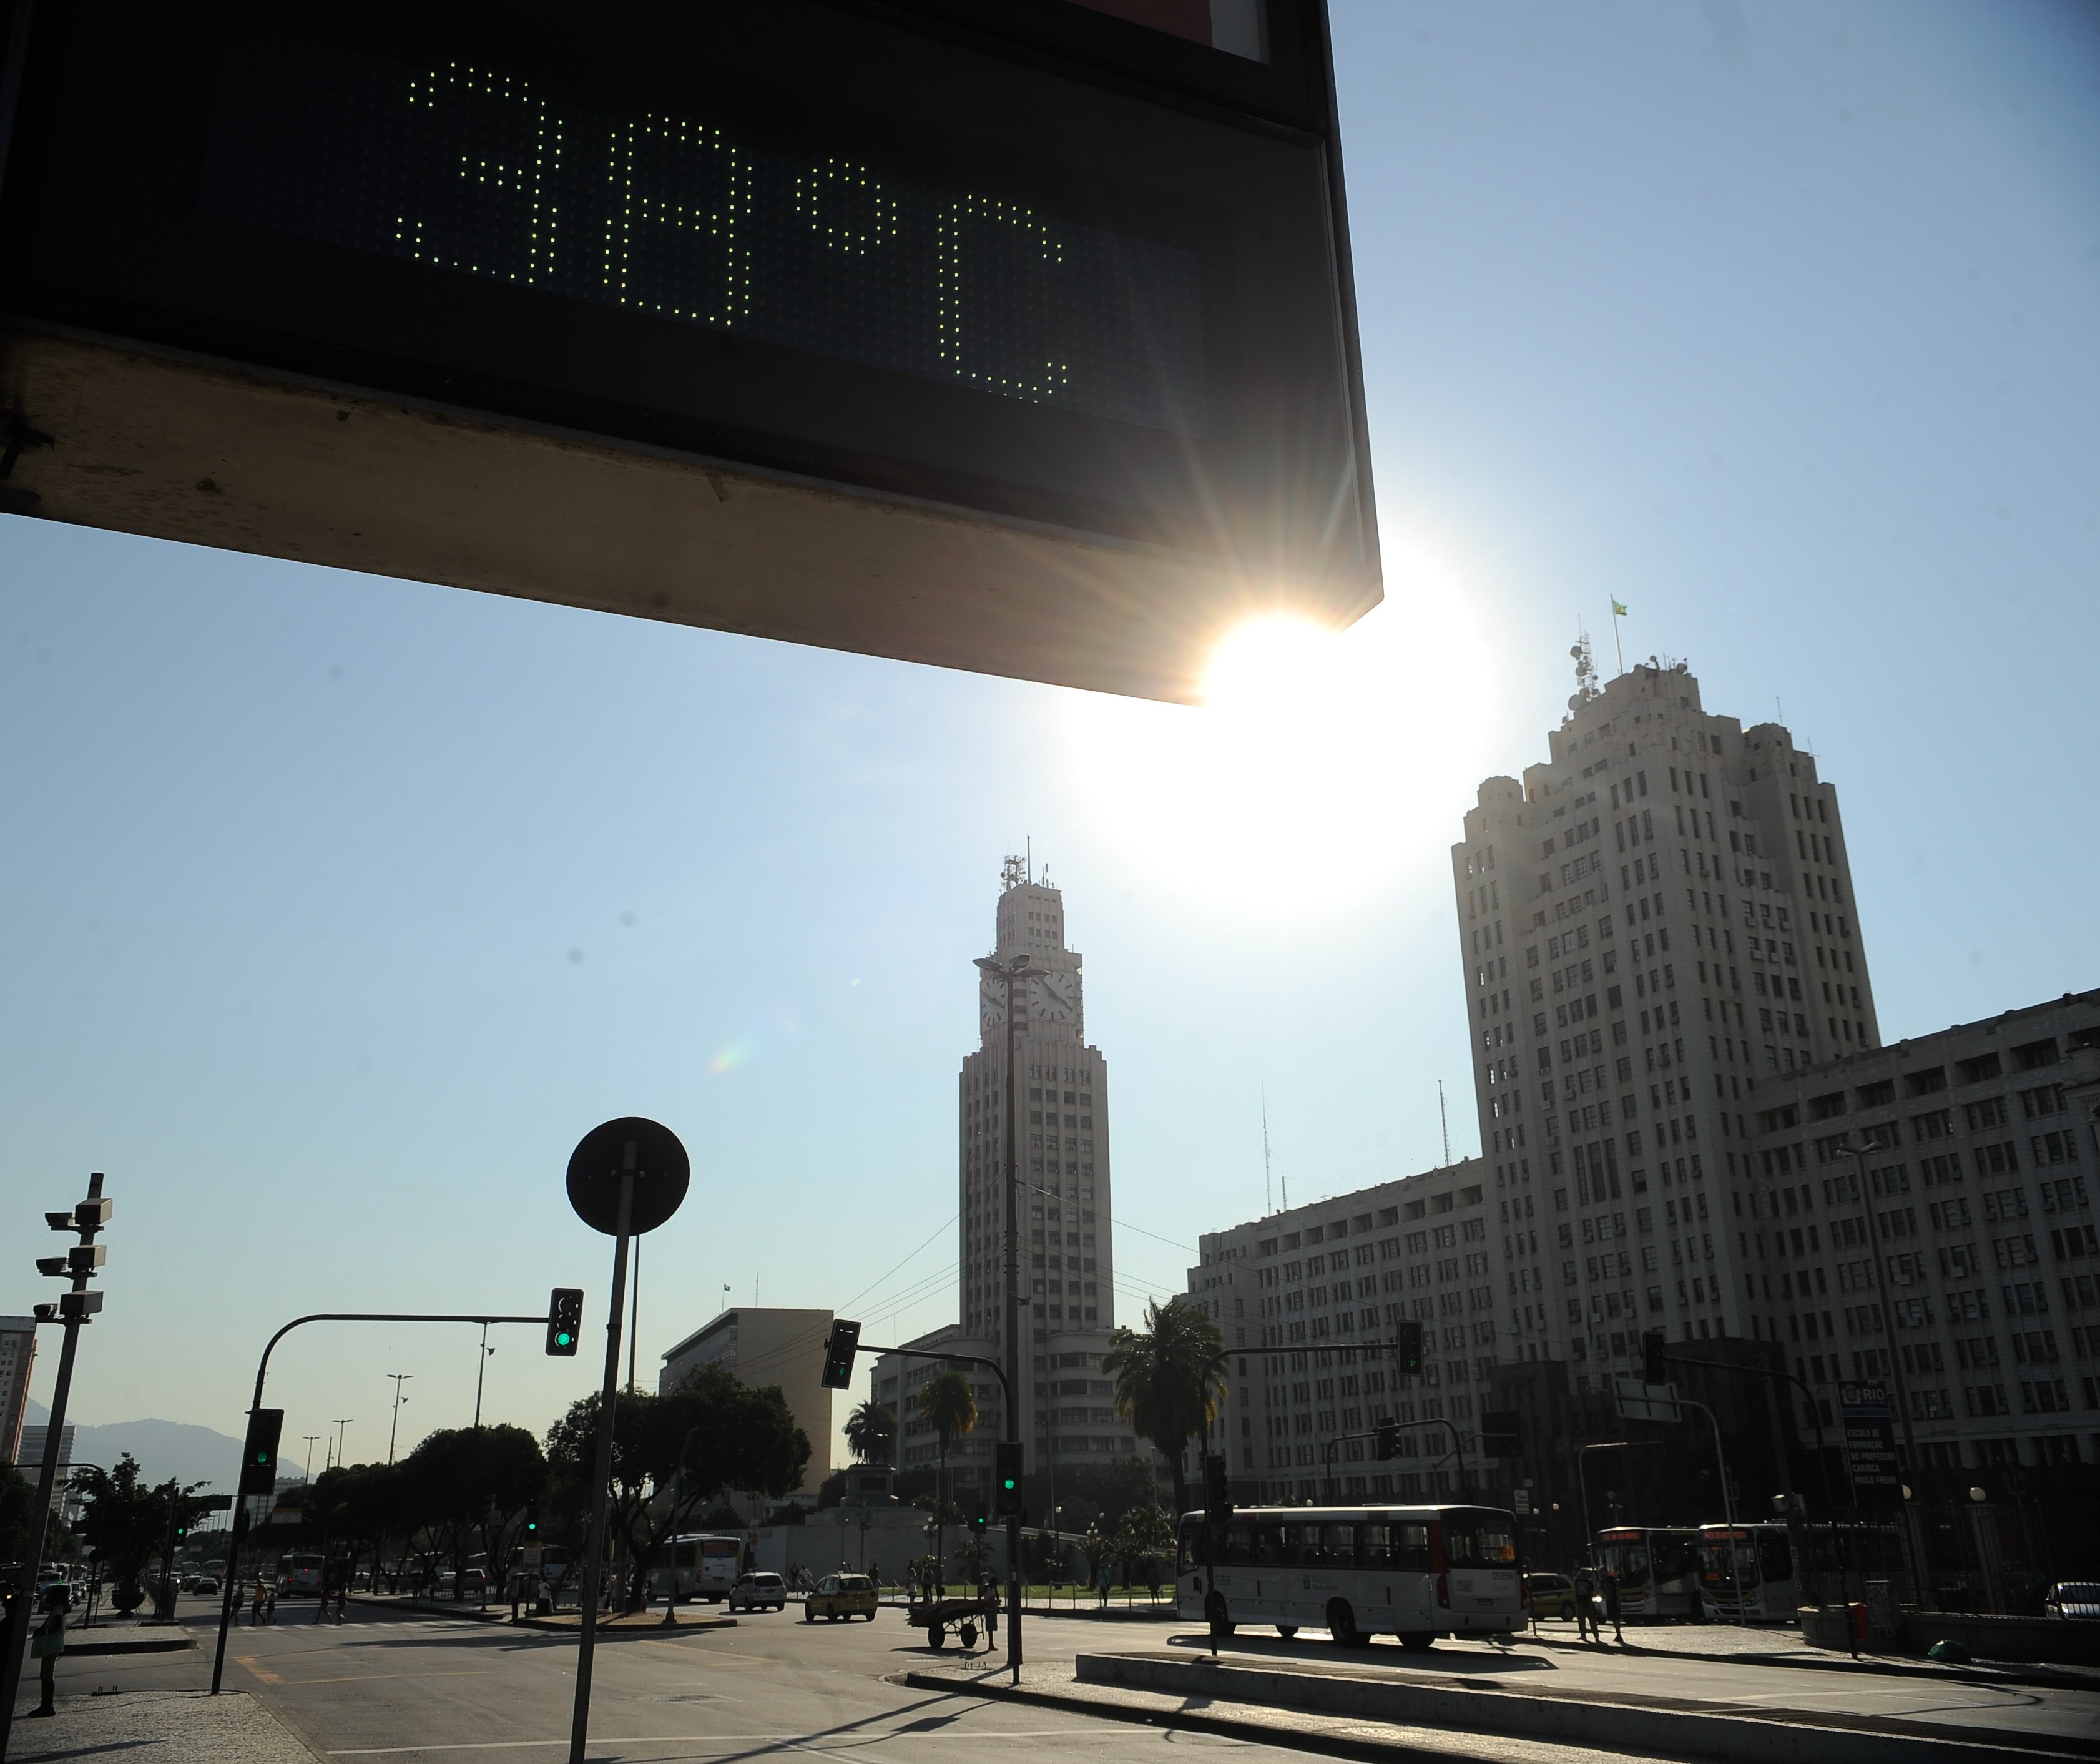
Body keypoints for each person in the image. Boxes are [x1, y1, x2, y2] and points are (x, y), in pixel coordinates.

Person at [27, 1582, 70, 1718]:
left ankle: (47, 1706)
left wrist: (44, 1631)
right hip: (55, 1644)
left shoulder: (58, 1608)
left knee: (46, 1675)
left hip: (52, 1644)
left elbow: (56, 1626)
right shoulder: (61, 1608)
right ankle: (46, 1705)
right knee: (46, 1674)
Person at [1572, 1564, 1597, 1642]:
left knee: (1592, 1621)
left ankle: (1596, 1635)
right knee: (1582, 1621)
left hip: (1587, 1603)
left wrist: (1590, 1602)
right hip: (1580, 1603)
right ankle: (1583, 1635)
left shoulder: (1589, 1583)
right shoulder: (1577, 1582)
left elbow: (1591, 1593)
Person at [1601, 1567, 1624, 1644]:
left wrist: (1618, 1600)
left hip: (1614, 1601)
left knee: (1616, 1618)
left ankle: (1619, 1634)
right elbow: (1603, 1592)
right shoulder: (1603, 1582)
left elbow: (1617, 1590)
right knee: (1613, 1618)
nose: (1601, 1574)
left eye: (1602, 1572)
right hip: (1609, 1602)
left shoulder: (1612, 1580)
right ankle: (1618, 1635)